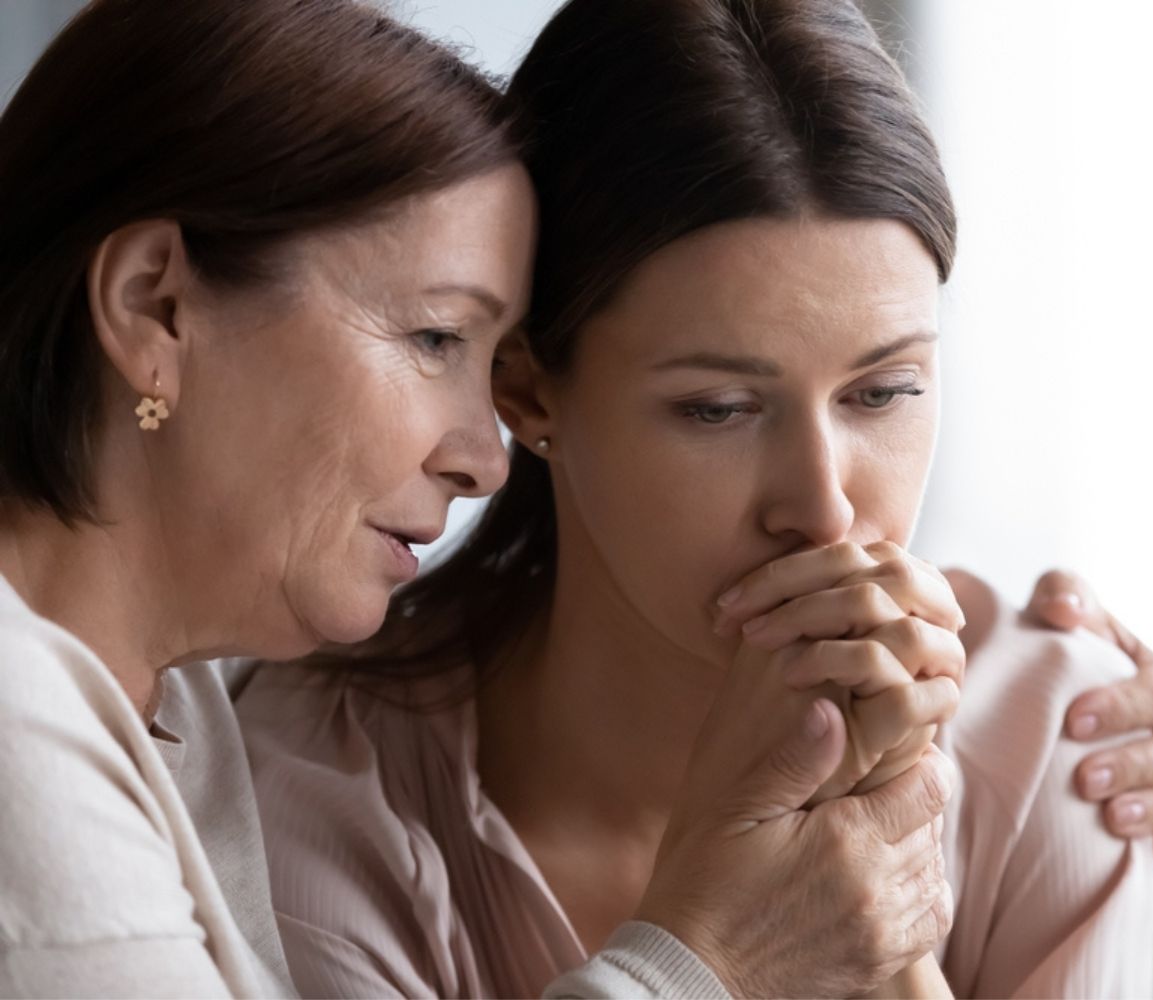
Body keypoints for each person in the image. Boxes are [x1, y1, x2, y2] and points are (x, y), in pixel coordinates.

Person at [0, 1, 964, 996]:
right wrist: (708, 959)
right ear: (155, 303)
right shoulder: (25, 740)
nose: (486, 455)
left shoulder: (168, 706)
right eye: (434, 339)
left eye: (885, 390)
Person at [236, 0, 1153, 995]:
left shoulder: (1062, 738)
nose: (823, 510)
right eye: (719, 409)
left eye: (884, 391)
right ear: (524, 389)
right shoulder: (316, 794)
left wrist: (881, 880)